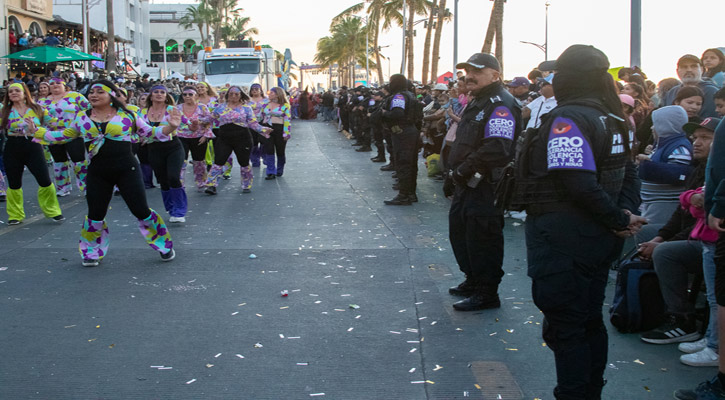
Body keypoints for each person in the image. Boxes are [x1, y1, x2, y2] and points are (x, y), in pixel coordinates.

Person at [516, 45, 646, 399]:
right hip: (600, 238)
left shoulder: (567, 119)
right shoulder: (613, 117)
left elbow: (576, 181)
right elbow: (629, 173)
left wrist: (619, 217)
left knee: (567, 327)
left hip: (564, 240)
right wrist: (622, 217)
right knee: (589, 321)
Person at [30, 80, 179, 266]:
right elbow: (63, 136)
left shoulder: (128, 116)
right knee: (95, 214)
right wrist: (37, 132)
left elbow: (150, 132)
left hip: (127, 169)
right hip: (97, 172)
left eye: (99, 92)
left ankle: (164, 246)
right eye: (91, 92)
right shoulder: (82, 118)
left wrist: (171, 127)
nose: (93, 95)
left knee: (140, 210)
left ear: (111, 96)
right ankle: (91, 252)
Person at [444, 53, 521, 311]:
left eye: (477, 71)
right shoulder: (479, 100)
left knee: (482, 237)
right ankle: (473, 279)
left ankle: (487, 292)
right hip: (466, 181)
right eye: (467, 71)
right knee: (461, 232)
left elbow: (497, 148)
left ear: (495, 74)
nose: (470, 76)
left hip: (485, 183)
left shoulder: (500, 104)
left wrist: (463, 170)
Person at [672, 120, 725, 400]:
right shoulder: (701, 169)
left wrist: (710, 202)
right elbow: (689, 203)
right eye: (697, 137)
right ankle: (711, 338)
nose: (699, 142)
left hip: (715, 236)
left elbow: (703, 200)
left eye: (708, 137)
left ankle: (716, 347)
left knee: (719, 297)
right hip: (705, 237)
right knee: (716, 296)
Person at [1, 82, 65, 225]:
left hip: (33, 146)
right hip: (12, 146)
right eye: (11, 92)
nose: (14, 93)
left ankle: (53, 211)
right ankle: (15, 215)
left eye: (17, 91)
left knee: (44, 180)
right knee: (14, 183)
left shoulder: (37, 108)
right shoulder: (4, 110)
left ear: (25, 93)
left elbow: (54, 123)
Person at [205, 86, 270, 194]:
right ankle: (211, 185)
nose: (233, 96)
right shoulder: (221, 107)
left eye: (236, 94)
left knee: (243, 162)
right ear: (227, 95)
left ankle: (246, 184)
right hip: (224, 137)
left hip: (242, 138)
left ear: (241, 95)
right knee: (219, 160)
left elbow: (253, 123)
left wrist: (263, 130)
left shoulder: (246, 108)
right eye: (231, 94)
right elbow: (210, 118)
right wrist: (196, 121)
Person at [637, 106, 694, 225]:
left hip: (664, 204)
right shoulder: (664, 144)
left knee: (650, 236)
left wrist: (647, 166)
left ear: (667, 125)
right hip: (653, 203)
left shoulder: (679, 147)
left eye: (655, 124)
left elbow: (678, 173)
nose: (652, 127)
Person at [141, 85, 188, 223]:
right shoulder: (142, 112)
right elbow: (137, 129)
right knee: (162, 180)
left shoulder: (172, 110)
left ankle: (179, 211)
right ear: (151, 95)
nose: (159, 94)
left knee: (173, 177)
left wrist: (194, 125)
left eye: (163, 92)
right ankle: (171, 208)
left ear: (167, 96)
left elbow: (185, 122)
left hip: (173, 146)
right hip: (154, 148)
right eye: (156, 92)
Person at [37, 78, 91, 197]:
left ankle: (86, 186)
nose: (55, 85)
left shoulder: (75, 96)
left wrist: (83, 123)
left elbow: (89, 109)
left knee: (79, 161)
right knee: (59, 162)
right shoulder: (42, 102)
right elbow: (37, 117)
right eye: (51, 84)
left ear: (64, 85)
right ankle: (63, 187)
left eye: (58, 83)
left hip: (74, 134)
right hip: (53, 135)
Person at [381, 74, 420, 206]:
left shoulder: (399, 96)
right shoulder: (410, 95)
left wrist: (384, 113)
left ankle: (404, 195)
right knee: (411, 164)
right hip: (411, 132)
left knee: (403, 163)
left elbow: (398, 113)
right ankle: (410, 193)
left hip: (402, 133)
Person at [176, 85, 213, 192]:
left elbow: (210, 122)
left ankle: (201, 181)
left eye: (190, 94)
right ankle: (180, 183)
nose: (187, 96)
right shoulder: (177, 108)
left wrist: (206, 135)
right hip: (181, 137)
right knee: (181, 160)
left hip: (198, 137)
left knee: (199, 161)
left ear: (196, 96)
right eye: (185, 94)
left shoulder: (202, 107)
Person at [664, 54, 720, 119]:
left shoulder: (711, 91)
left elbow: (710, 122)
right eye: (684, 67)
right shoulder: (671, 93)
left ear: (701, 70)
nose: (689, 70)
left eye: (694, 66)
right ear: (677, 71)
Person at [261, 87, 291, 179]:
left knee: (280, 150)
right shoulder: (265, 104)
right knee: (269, 150)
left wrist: (286, 133)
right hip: (267, 128)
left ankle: (279, 169)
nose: (269, 94)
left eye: (272, 93)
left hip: (279, 128)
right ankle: (270, 171)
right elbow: (261, 116)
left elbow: (287, 119)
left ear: (277, 94)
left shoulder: (285, 105)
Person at [247, 83, 268, 168]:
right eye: (253, 89)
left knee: (264, 142)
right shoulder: (247, 101)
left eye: (256, 89)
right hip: (251, 124)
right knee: (253, 143)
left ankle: (265, 158)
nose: (254, 91)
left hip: (263, 122)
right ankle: (255, 160)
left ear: (260, 90)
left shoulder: (266, 100)